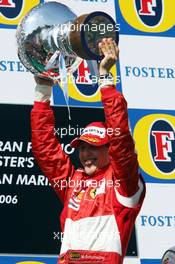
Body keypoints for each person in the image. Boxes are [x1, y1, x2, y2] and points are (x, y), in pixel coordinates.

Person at [31, 38, 145, 264]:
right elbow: (45, 148)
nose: (85, 153)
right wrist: (42, 91)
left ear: (108, 149)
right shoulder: (72, 181)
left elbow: (121, 140)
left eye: (93, 146)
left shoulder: (123, 183)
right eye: (82, 147)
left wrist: (106, 79)